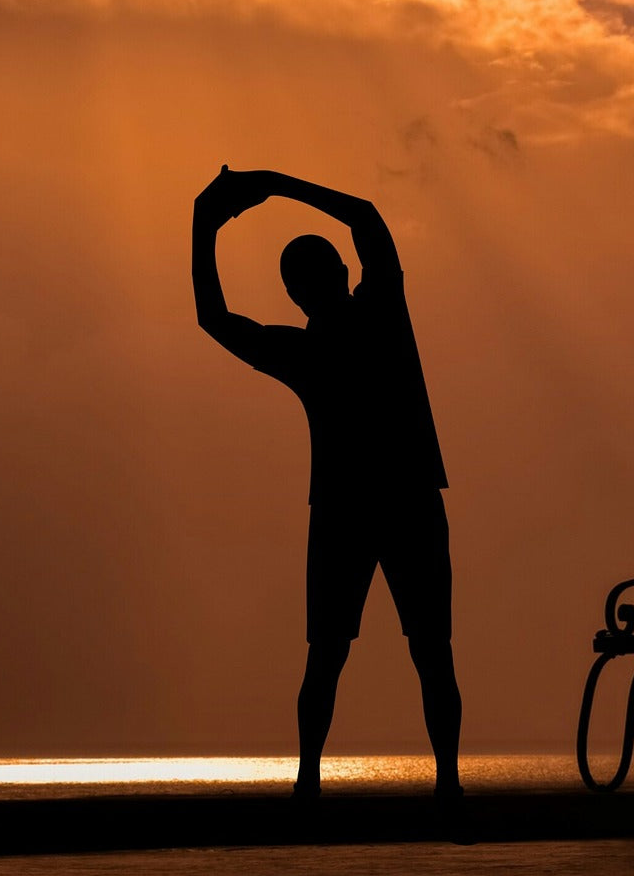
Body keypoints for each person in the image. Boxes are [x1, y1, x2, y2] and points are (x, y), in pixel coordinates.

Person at [191, 165, 462, 799]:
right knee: (427, 652)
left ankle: (311, 779)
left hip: (354, 506)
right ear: (338, 277)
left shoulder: (307, 349)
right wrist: (277, 184)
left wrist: (205, 227)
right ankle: (442, 782)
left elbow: (215, 317)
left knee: (332, 655)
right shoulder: (379, 311)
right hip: (404, 498)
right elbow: (365, 215)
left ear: (297, 294)